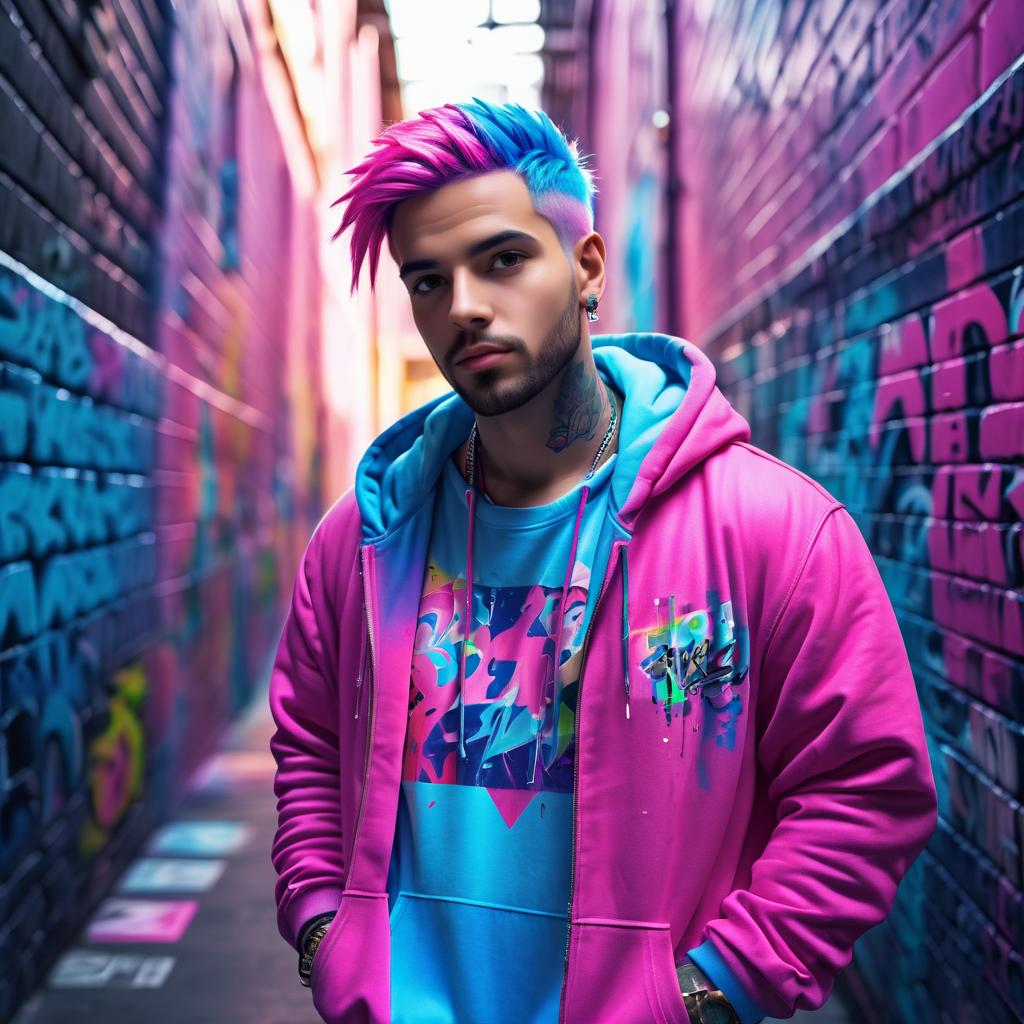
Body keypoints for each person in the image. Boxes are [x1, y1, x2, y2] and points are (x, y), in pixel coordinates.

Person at [269, 98, 938, 1024]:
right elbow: (309, 744)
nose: (463, 305)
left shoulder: (772, 528)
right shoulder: (361, 542)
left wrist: (710, 992)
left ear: (585, 269)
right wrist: (321, 928)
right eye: (427, 280)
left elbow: (866, 784)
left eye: (503, 259)